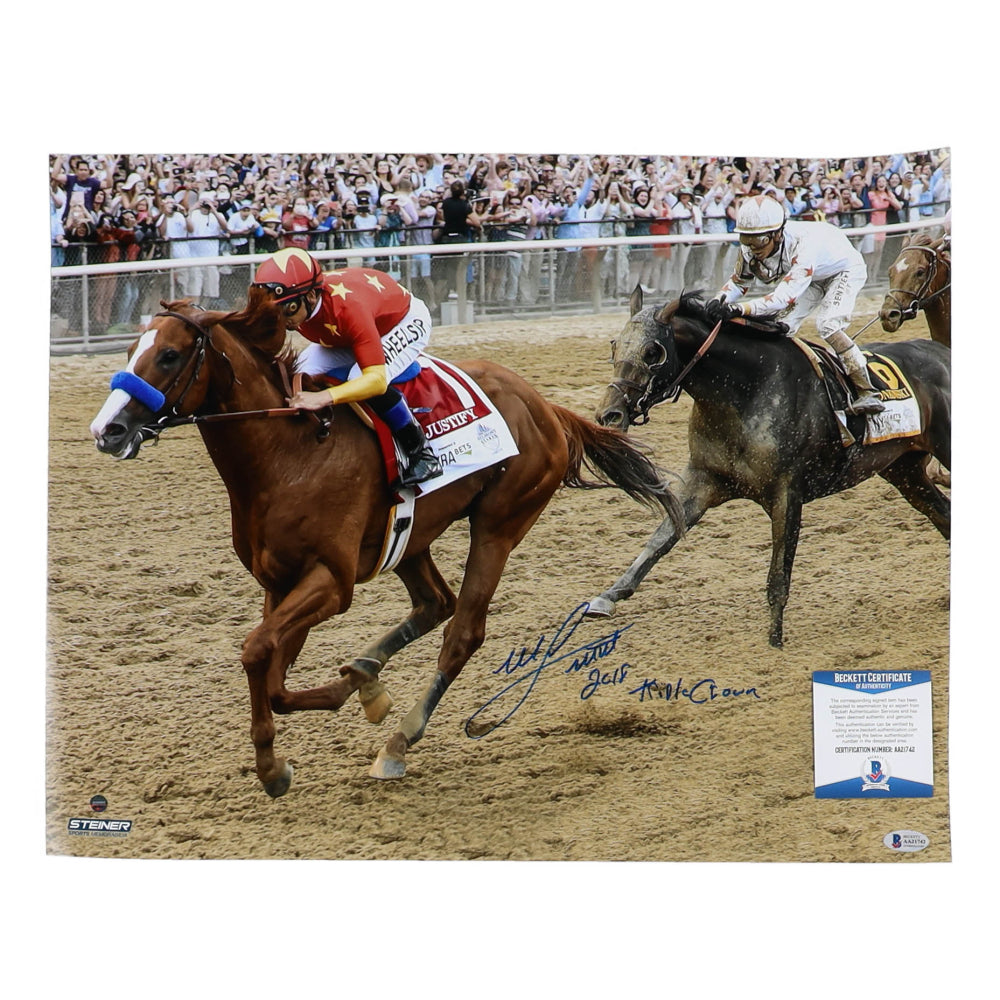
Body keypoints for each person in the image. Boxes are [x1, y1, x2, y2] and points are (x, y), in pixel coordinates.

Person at [251, 247, 443, 487]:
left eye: (288, 309)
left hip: (402, 321)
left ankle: (420, 452)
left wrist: (324, 397)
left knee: (359, 377)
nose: (281, 319)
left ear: (310, 296)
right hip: (346, 332)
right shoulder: (298, 302)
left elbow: (376, 380)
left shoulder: (348, 309)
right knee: (298, 373)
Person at [705, 194, 885, 416]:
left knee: (828, 325)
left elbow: (783, 298)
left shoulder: (804, 244)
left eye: (759, 241)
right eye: (745, 240)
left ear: (777, 234)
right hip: (813, 278)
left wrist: (739, 309)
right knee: (781, 326)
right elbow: (739, 282)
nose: (753, 248)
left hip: (843, 271)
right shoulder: (751, 248)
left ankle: (867, 390)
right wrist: (717, 300)